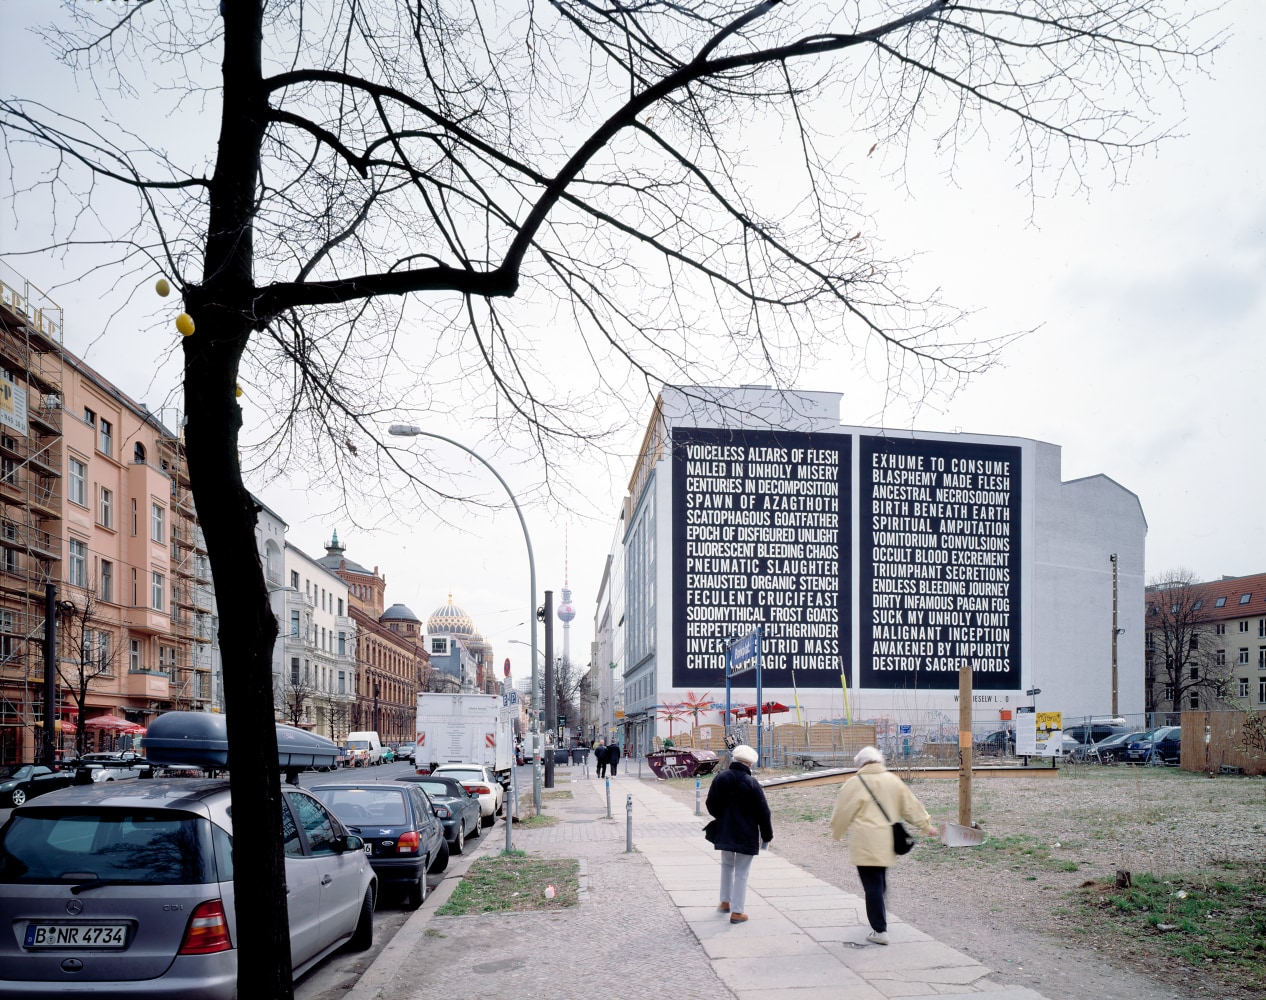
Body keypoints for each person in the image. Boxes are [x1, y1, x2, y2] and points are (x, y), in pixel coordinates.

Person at [828, 746, 937, 945]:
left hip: (865, 841)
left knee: (872, 885)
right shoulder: (892, 781)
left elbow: (842, 812)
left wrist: (836, 832)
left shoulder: (854, 783)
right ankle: (880, 917)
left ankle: (880, 930)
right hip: (887, 841)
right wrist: (925, 824)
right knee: (879, 880)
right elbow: (910, 805)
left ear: (860, 764)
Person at [704, 744, 773, 925]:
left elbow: (710, 803)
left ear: (734, 760)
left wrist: (722, 817)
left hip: (725, 830)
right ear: (750, 764)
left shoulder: (721, 777)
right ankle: (737, 912)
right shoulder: (752, 783)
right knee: (742, 872)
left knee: (727, 865)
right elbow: (763, 812)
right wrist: (767, 835)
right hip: (746, 832)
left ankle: (725, 901)